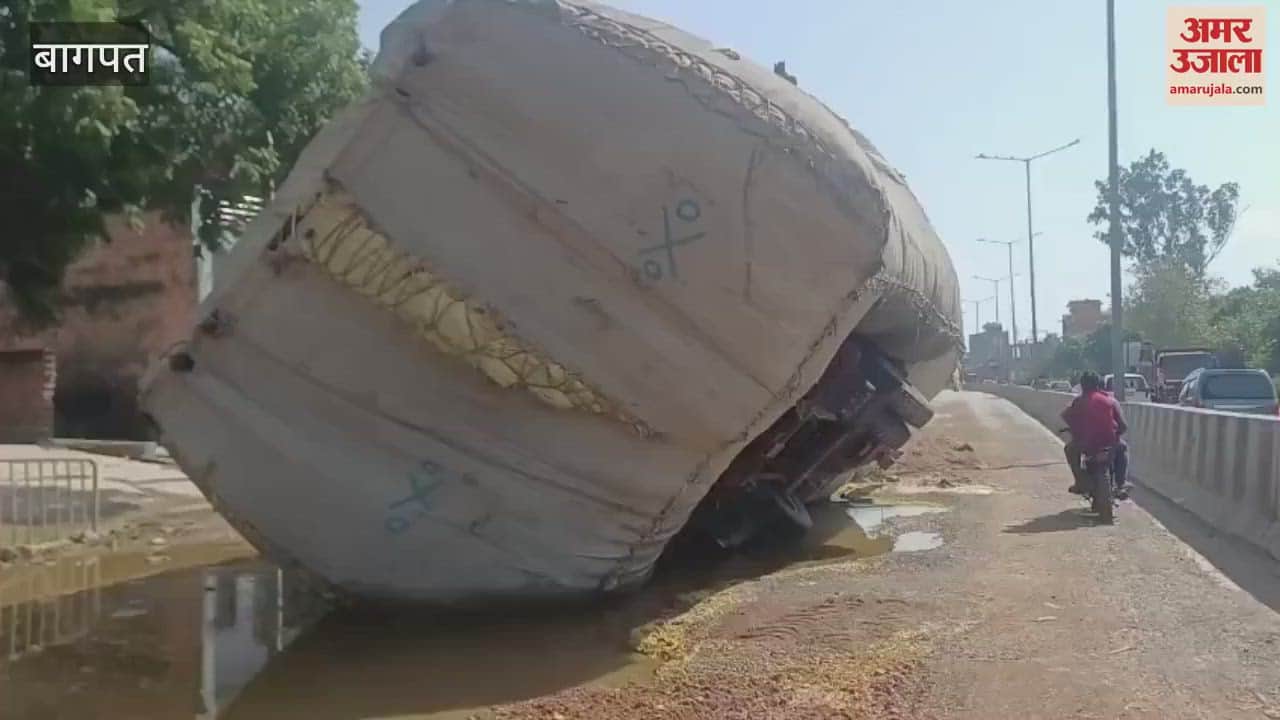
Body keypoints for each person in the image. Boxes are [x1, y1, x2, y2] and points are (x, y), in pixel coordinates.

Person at [1060, 371, 1130, 498]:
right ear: (1098, 384)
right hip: (1109, 443)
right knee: (1122, 448)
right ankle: (1121, 484)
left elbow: (1065, 416)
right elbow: (1123, 426)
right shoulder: (1111, 400)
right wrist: (1116, 435)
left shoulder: (1078, 401)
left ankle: (1080, 481)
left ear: (1082, 385)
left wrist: (1075, 430)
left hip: (1085, 444)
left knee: (1069, 450)